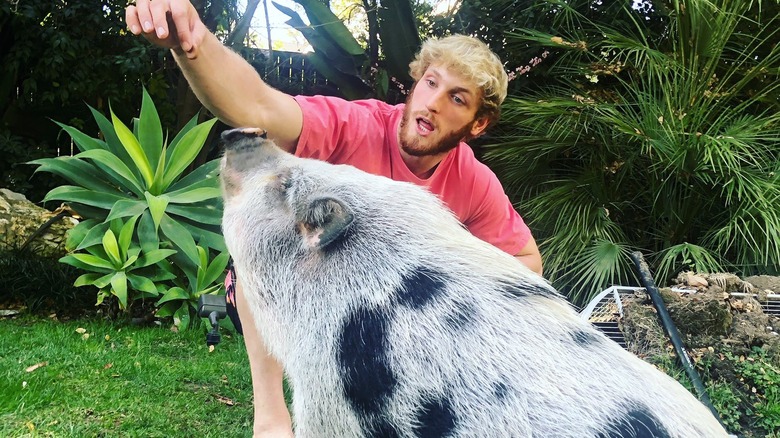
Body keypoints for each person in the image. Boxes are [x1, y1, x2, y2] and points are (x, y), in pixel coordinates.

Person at [126, 1, 543, 436]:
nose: (433, 103)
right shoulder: (355, 125)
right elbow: (257, 106)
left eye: (457, 98)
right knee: (268, 244)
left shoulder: (473, 181)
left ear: (478, 124)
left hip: (386, 314)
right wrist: (189, 43)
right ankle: (270, 416)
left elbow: (528, 262)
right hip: (300, 289)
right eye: (431, 83)